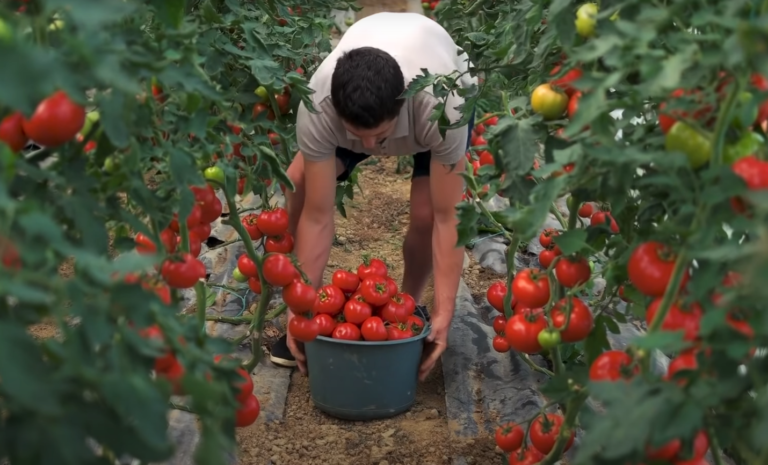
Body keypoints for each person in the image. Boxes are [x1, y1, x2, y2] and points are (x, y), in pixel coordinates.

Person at [269, 11, 477, 382]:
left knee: (427, 214)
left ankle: (409, 310)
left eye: (379, 136)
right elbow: (318, 215)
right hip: (363, 104)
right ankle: (300, 297)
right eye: (357, 136)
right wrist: (299, 312)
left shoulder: (443, 106)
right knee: (296, 183)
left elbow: (450, 218)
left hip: (438, 89)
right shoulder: (317, 105)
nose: (369, 149)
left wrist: (446, 313)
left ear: (401, 108)